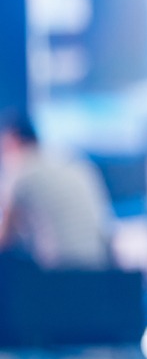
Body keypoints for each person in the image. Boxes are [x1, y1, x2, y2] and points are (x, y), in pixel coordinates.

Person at [0, 112, 115, 269]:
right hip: (100, 269)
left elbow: (5, 239)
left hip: (60, 273)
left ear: (13, 142)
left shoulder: (21, 171)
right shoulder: (72, 161)